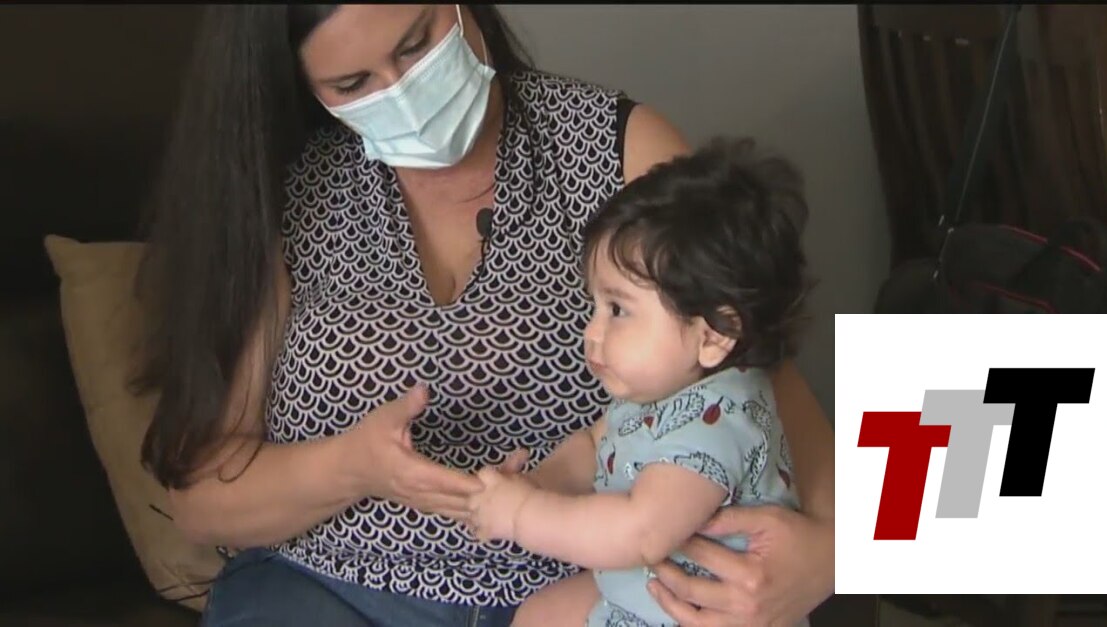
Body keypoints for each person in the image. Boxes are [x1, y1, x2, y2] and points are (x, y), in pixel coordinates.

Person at [133, 5, 835, 627]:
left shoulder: (619, 146)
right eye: (352, 84)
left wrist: (836, 554)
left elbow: (763, 378)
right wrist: (353, 468)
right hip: (327, 588)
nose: (403, 94)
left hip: (582, 594)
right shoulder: (283, 191)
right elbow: (201, 500)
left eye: (416, 43)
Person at [466, 137, 812, 627]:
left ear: (714, 335)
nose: (592, 332)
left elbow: (641, 532)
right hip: (646, 595)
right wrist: (540, 481)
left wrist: (523, 514)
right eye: (595, 306)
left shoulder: (715, 426)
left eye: (618, 310)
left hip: (699, 616)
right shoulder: (663, 388)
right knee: (539, 613)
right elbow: (593, 445)